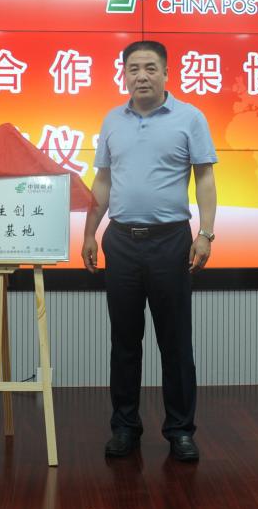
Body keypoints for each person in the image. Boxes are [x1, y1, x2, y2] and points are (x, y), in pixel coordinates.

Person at [81, 40, 217, 462]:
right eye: (133, 69)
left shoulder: (189, 118)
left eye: (150, 68)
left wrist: (205, 234)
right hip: (121, 241)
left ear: (166, 73)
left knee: (175, 342)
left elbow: (205, 178)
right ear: (123, 74)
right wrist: (90, 233)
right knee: (124, 341)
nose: (141, 76)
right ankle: (125, 427)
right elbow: (103, 181)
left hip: (170, 242)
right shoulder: (112, 120)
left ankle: (180, 430)